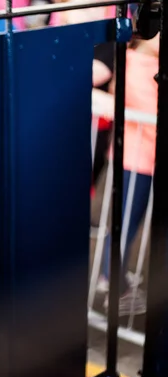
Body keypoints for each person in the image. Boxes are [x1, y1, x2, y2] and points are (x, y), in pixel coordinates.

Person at [97, 34, 159, 316]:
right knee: (124, 227)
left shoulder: (140, 62)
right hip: (137, 159)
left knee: (125, 225)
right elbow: (151, 114)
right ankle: (116, 290)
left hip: (142, 158)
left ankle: (110, 279)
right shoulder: (136, 65)